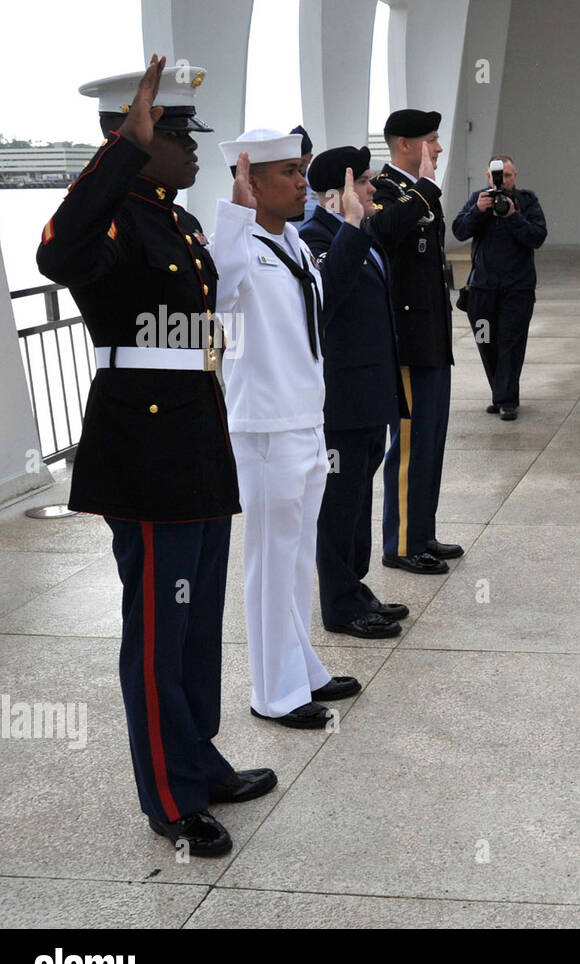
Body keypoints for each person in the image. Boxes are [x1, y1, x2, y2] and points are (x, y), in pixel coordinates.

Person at [36, 57, 274, 857]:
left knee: (197, 625)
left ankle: (198, 763)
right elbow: (56, 255)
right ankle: (169, 797)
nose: (193, 148)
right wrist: (122, 157)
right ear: (133, 138)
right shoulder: (110, 217)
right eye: (176, 135)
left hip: (197, 439)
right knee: (156, 634)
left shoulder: (176, 219)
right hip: (143, 451)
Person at [211, 128, 366, 728]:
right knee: (270, 562)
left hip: (304, 419)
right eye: (289, 173)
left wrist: (351, 229)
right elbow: (216, 300)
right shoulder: (238, 248)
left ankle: (302, 667)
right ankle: (273, 692)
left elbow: (317, 310)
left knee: (298, 556)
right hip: (266, 429)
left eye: (302, 171)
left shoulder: (295, 243)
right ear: (251, 182)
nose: (303, 182)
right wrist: (233, 214)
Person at [299, 144, 411, 641]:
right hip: (340, 403)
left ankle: (357, 588)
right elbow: (329, 294)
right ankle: (339, 605)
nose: (372, 189)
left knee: (358, 499)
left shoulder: (360, 235)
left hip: (369, 397)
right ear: (334, 194)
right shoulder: (315, 239)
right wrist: (348, 227)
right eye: (363, 181)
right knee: (338, 505)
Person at [372, 108, 463, 575]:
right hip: (406, 341)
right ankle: (401, 544)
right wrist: (426, 189)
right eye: (431, 139)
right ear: (404, 145)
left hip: (432, 337)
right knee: (408, 444)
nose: (439, 148)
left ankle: (421, 530)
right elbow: (383, 232)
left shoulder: (417, 192)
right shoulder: (383, 190)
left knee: (431, 439)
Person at [451, 154, 548, 421]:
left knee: (510, 343)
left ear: (515, 176)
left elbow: (537, 237)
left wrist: (513, 215)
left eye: (507, 175)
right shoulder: (478, 200)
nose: (502, 181)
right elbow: (458, 231)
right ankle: (501, 392)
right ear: (488, 177)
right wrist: (478, 211)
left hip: (518, 289)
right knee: (486, 342)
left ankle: (506, 400)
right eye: (498, 176)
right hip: (482, 289)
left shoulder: (527, 200)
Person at [289, 124, 315, 222]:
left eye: (302, 163)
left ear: (310, 157)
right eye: (294, 163)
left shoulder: (320, 180)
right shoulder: (278, 182)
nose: (298, 168)